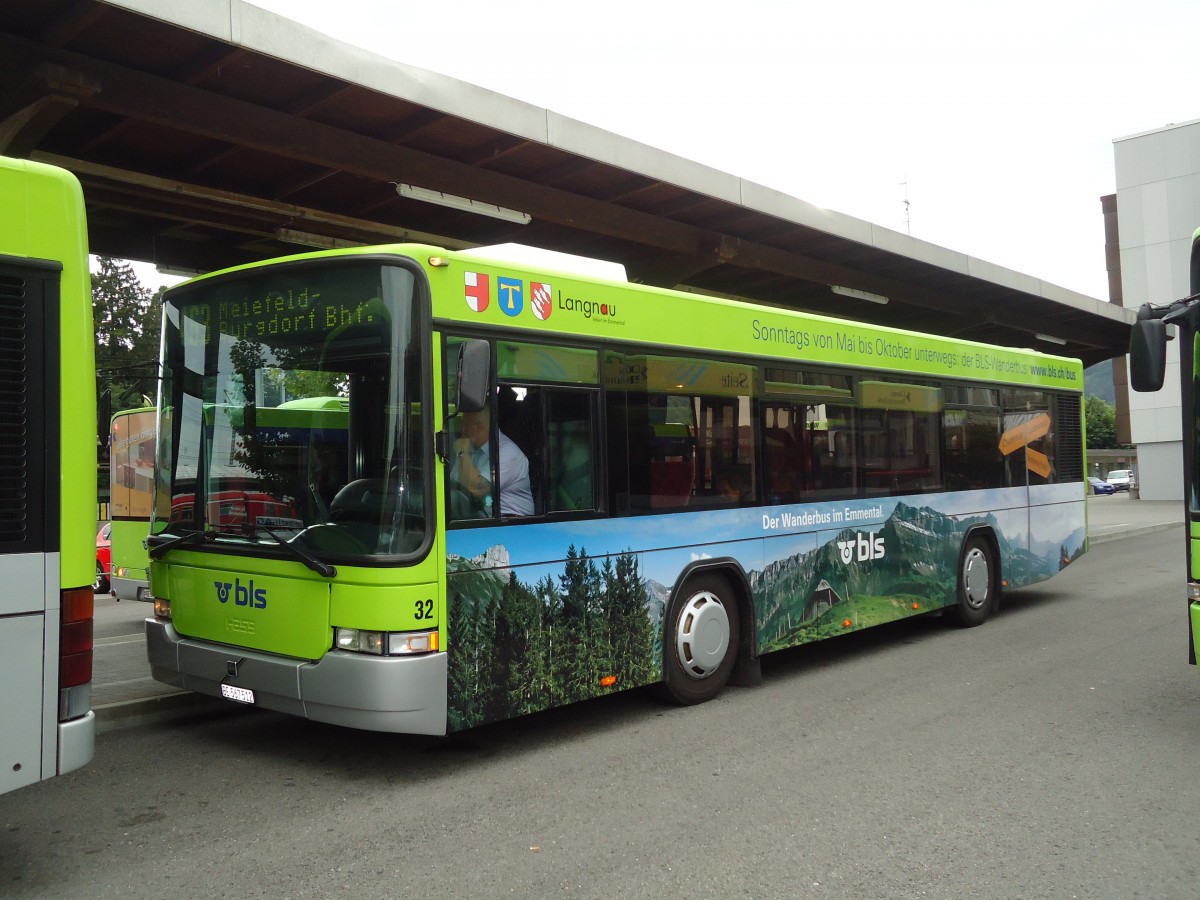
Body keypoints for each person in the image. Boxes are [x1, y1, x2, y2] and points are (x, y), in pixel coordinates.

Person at [453, 405, 535, 517]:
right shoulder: (471, 449)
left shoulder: (508, 452)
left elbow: (475, 490)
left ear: (478, 427)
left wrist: (463, 453)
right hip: (482, 519)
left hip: (511, 525)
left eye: (465, 424)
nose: (461, 429)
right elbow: (454, 485)